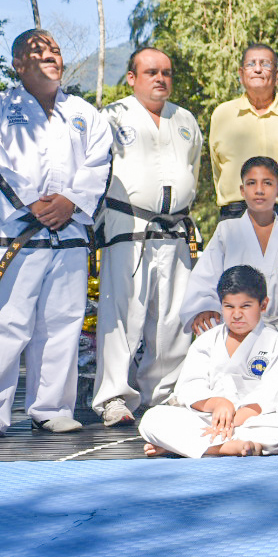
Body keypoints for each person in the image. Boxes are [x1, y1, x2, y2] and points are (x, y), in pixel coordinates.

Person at [0, 29, 111, 442]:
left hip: (67, 232)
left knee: (62, 323)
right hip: (13, 232)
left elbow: (100, 162)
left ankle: (52, 408)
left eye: (55, 50)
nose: (50, 56)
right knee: (0, 322)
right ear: (18, 64)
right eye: (38, 50)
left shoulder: (83, 112)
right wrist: (29, 201)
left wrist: (70, 201)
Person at [92, 47, 204, 427]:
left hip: (175, 229)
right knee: (122, 313)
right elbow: (95, 171)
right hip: (128, 227)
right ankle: (113, 397)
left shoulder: (185, 119)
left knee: (173, 316)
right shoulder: (111, 117)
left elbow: (193, 170)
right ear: (131, 78)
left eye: (166, 72)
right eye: (151, 72)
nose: (160, 78)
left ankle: (163, 393)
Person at [138, 265, 278, 457]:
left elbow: (272, 394)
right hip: (208, 419)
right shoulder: (207, 341)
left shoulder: (276, 343)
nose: (237, 315)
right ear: (220, 305)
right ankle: (228, 448)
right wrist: (218, 403)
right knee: (153, 418)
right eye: (229, 306)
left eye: (245, 306)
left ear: (263, 305)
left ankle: (186, 447)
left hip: (250, 422)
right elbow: (189, 387)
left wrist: (231, 422)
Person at [180, 157, 278, 337]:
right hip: (235, 322)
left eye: (267, 183)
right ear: (242, 191)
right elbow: (204, 278)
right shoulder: (227, 231)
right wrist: (204, 307)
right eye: (251, 183)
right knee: (210, 324)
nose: (259, 190)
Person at [208, 43, 278, 228]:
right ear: (241, 74)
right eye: (251, 64)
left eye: (265, 64)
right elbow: (217, 169)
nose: (257, 69)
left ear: (277, 74)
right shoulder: (222, 115)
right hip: (236, 216)